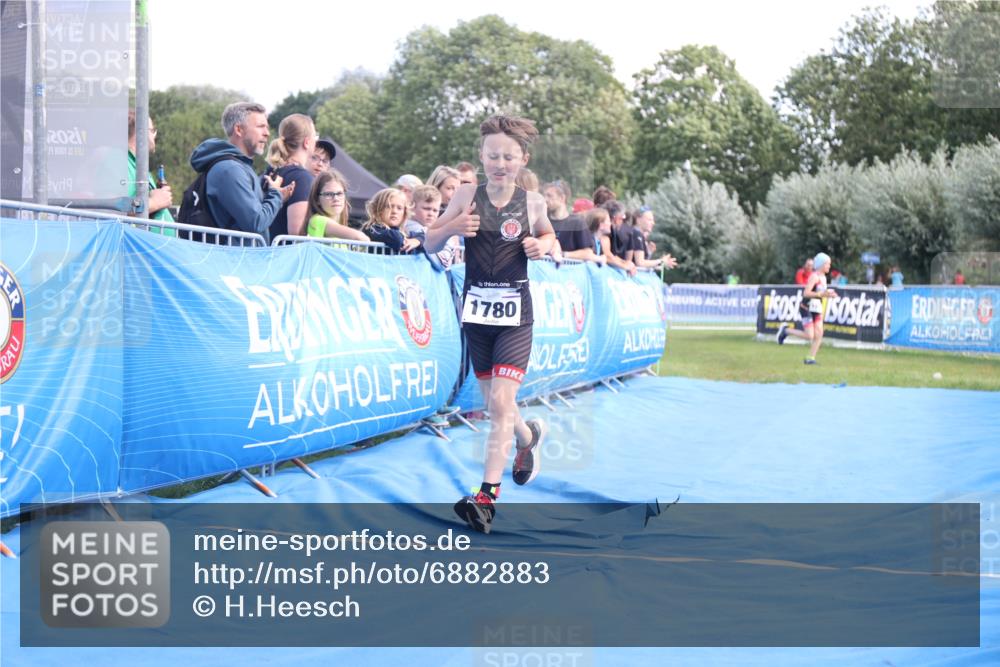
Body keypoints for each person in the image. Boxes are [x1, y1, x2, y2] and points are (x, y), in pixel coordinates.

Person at [424, 114, 556, 534]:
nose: (500, 163)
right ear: (481, 156)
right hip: (476, 314)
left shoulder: (532, 203)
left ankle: (486, 499)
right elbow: (429, 240)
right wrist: (452, 227)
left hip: (517, 315)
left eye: (509, 157)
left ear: (523, 159)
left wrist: (542, 244)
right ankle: (526, 437)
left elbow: (552, 237)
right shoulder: (466, 194)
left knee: (500, 402)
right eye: (493, 155)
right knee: (496, 406)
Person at [188, 102, 294, 241]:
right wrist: (276, 195)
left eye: (267, 127)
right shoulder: (230, 170)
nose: (267, 133)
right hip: (234, 260)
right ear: (239, 129)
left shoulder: (237, 167)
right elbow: (256, 222)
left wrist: (275, 197)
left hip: (238, 258)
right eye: (260, 126)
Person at [777, 252, 837, 365]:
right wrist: (822, 295)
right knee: (810, 335)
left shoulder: (824, 278)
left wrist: (829, 294)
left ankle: (810, 358)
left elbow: (821, 292)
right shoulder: (814, 276)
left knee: (819, 334)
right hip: (806, 307)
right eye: (827, 264)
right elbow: (806, 293)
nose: (829, 266)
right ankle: (785, 331)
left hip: (817, 308)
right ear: (821, 264)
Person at [264, 113, 317, 238]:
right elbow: (296, 232)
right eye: (316, 136)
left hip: (265, 252)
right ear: (307, 142)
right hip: (286, 255)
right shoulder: (302, 178)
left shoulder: (271, 171)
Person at [127, 111, 175, 233]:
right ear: (142, 132)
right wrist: (155, 202)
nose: (154, 136)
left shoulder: (137, 164)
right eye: (152, 130)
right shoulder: (118, 160)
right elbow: (116, 209)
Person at [542, 179, 601, 263]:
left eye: (549, 196)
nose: (545, 199)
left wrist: (562, 254)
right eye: (544, 196)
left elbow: (588, 253)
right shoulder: (543, 221)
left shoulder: (576, 222)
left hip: (568, 273)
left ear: (562, 198)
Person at [404, 184, 460, 268]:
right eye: (426, 208)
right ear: (413, 207)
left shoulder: (436, 229)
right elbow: (441, 263)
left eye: (435, 210)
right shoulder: (408, 226)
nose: (431, 214)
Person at [306, 170, 368, 242]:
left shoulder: (339, 227)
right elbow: (360, 237)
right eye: (328, 194)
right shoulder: (317, 220)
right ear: (317, 200)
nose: (336, 198)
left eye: (339, 193)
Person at [361, 188, 422, 254]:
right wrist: (408, 241)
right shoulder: (372, 228)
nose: (394, 211)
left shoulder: (402, 231)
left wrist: (416, 241)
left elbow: (423, 237)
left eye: (399, 208)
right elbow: (396, 239)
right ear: (377, 209)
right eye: (388, 206)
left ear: (404, 213)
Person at [631, 206, 678, 270]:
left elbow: (639, 263)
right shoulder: (637, 234)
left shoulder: (636, 234)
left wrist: (648, 253)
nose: (653, 223)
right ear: (638, 220)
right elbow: (640, 263)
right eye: (649, 220)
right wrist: (661, 261)